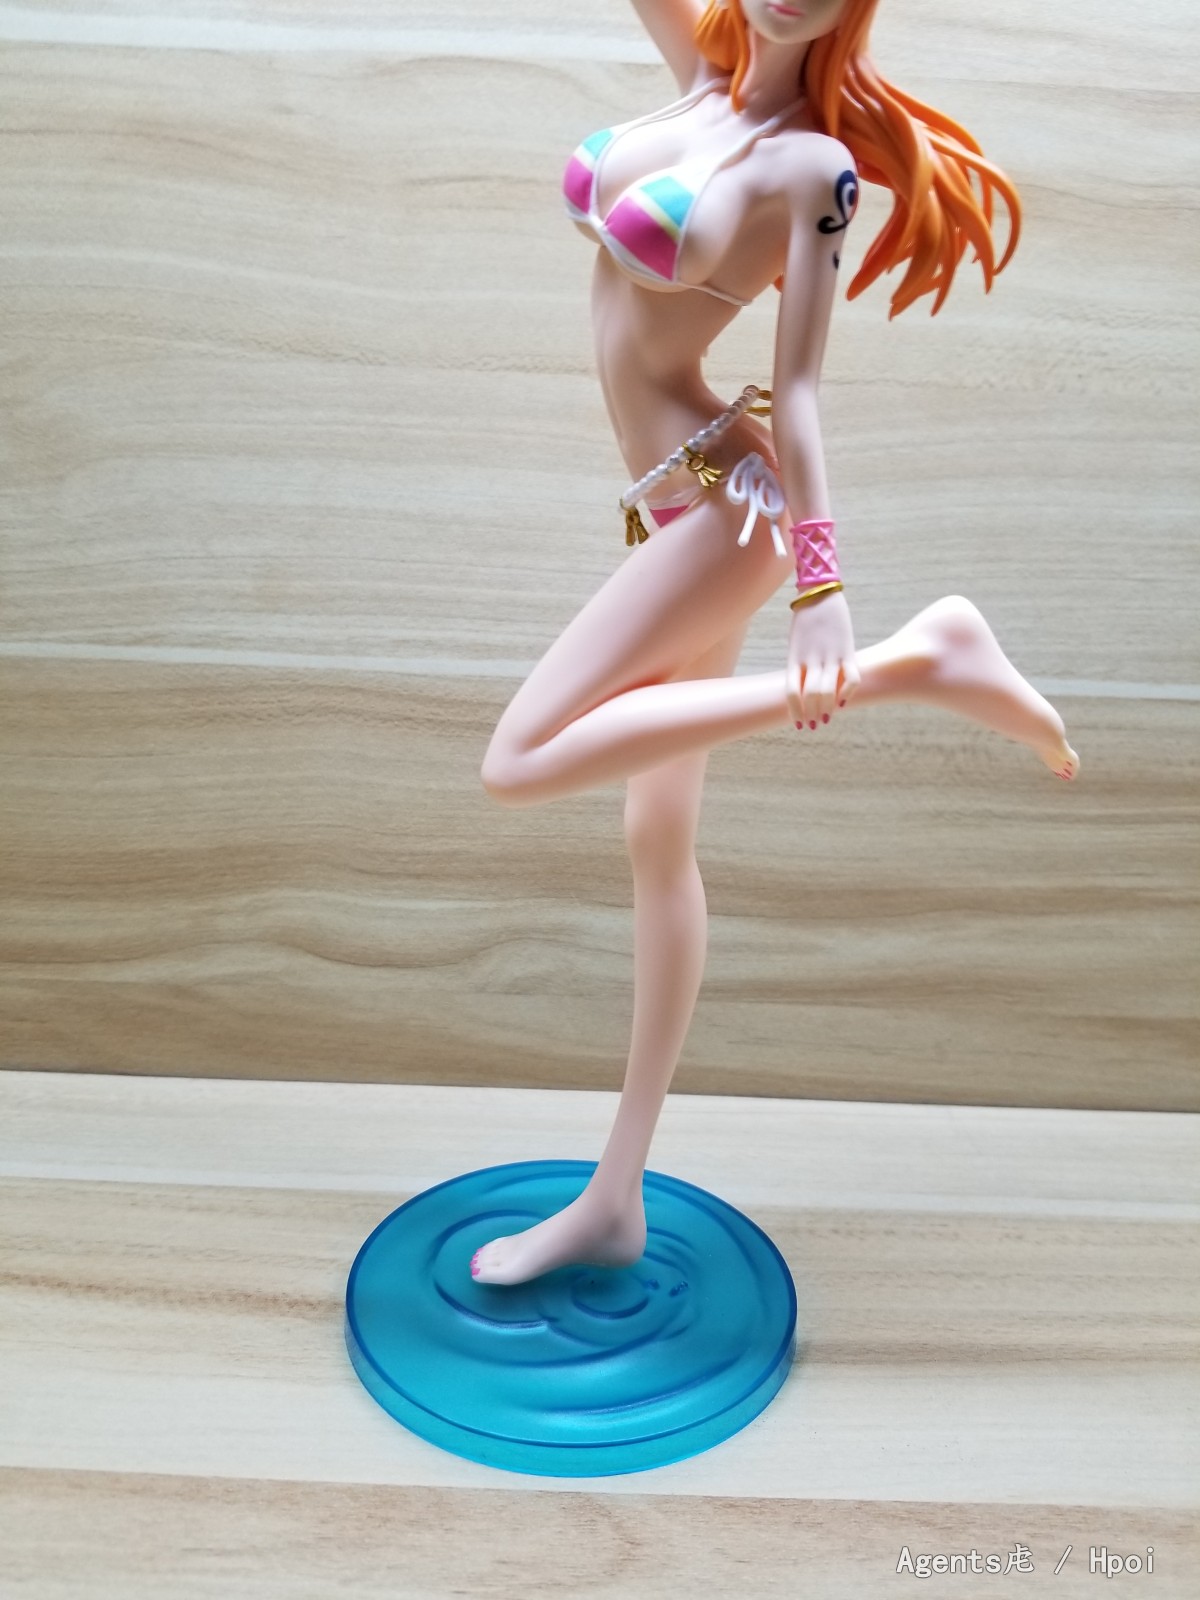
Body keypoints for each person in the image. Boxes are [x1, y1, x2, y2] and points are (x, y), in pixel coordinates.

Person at [470, 0, 1078, 1286]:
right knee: (657, 842)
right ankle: (616, 1198)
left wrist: (820, 585)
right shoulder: (700, 67)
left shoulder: (817, 169)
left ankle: (909, 665)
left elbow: (796, 391)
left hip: (728, 510)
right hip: (674, 498)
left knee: (519, 761)